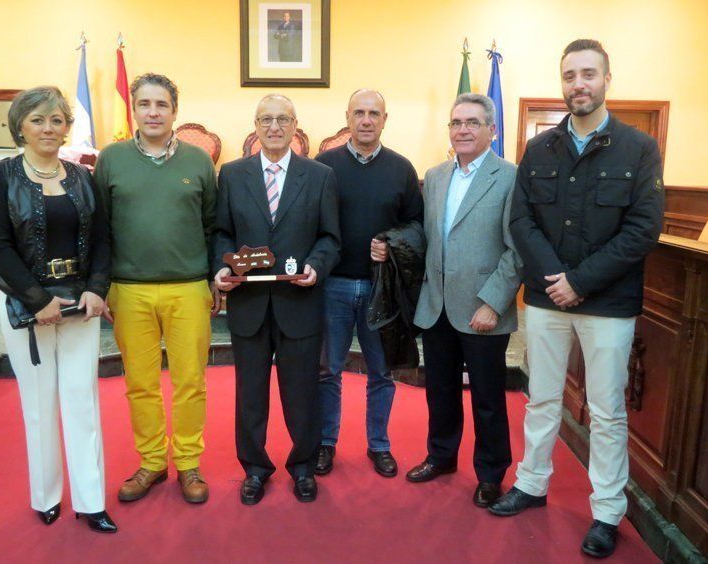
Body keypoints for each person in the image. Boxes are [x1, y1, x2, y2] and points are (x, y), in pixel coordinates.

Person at [489, 39, 664, 559]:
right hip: (545, 300)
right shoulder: (540, 148)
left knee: (607, 412)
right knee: (541, 398)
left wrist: (581, 281)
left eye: (588, 74)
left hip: (607, 304)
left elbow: (643, 229)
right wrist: (552, 276)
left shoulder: (639, 148)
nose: (578, 85)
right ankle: (531, 484)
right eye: (569, 76)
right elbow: (521, 220)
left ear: (607, 79)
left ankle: (607, 511)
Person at [0, 86, 116, 533]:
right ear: (20, 125)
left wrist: (97, 289)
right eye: (38, 120)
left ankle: (91, 501)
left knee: (82, 400)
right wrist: (38, 300)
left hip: (80, 303)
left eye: (57, 120)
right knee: (38, 403)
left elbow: (102, 240)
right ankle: (46, 496)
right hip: (27, 306)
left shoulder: (81, 177)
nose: (49, 128)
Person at [94, 73, 218, 505]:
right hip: (129, 290)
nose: (152, 112)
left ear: (174, 111)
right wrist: (103, 285)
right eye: (144, 104)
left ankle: (188, 463)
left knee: (190, 382)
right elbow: (101, 228)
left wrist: (212, 278)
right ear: (134, 109)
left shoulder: (199, 162)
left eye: (161, 105)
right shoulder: (111, 159)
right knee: (141, 384)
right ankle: (151, 461)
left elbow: (211, 224)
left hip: (188, 287)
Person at [214, 94, 340, 505]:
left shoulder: (319, 176)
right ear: (255, 125)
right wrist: (221, 268)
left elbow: (329, 237)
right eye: (266, 119)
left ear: (294, 125)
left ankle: (303, 467)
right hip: (248, 305)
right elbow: (222, 233)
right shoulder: (231, 175)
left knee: (302, 394)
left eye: (282, 119)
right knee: (250, 396)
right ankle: (254, 468)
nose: (273, 127)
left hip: (299, 304)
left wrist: (317, 267)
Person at [408, 93, 521, 510]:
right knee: (439, 390)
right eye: (456, 123)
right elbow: (429, 237)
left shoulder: (509, 177)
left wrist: (493, 302)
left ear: (491, 129)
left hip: (482, 310)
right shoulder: (435, 175)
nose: (463, 130)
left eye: (473, 122)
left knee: (489, 400)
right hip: (436, 305)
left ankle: (491, 474)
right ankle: (441, 456)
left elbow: (517, 248)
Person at [314, 89, 422, 477]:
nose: (366, 120)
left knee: (381, 372)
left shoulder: (402, 169)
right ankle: (326, 443)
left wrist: (391, 244)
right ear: (347, 116)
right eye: (359, 112)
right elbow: (310, 222)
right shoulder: (324, 166)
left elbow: (416, 227)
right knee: (327, 371)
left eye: (373, 113)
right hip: (333, 288)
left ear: (384, 119)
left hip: (382, 289)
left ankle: (379, 444)